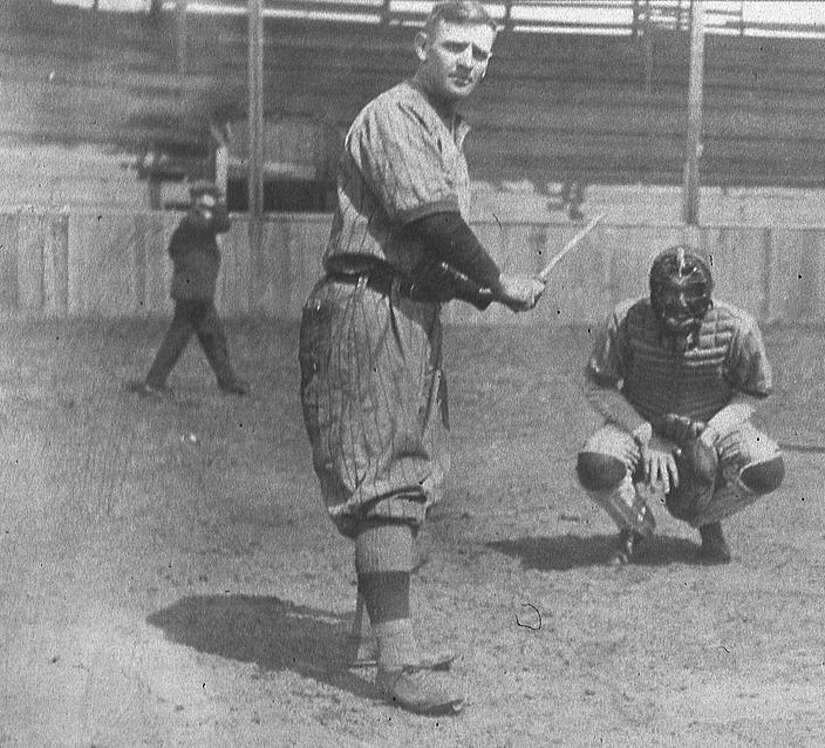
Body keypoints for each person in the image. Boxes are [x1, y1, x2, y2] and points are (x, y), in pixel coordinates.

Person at [297, 1, 544, 717]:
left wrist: (481, 296)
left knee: (414, 472)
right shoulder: (394, 115)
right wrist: (496, 278)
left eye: (482, 53)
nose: (468, 62)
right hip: (366, 310)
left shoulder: (444, 131)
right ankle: (396, 666)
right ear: (422, 44)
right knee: (388, 480)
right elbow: (431, 222)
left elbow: (421, 246)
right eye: (455, 47)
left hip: (406, 307)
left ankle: (370, 636)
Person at [575, 245, 786, 567]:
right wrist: (645, 433)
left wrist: (712, 432)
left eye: (691, 295)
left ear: (708, 295)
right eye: (668, 295)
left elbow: (754, 392)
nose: (679, 306)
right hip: (643, 422)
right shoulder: (626, 318)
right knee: (596, 465)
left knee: (765, 467)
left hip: (709, 425)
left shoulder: (737, 326)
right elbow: (598, 385)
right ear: (653, 293)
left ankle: (705, 519)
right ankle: (636, 525)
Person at [130, 180, 248, 397]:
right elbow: (219, 224)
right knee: (184, 337)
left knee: (212, 337)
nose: (215, 199)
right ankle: (153, 384)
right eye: (211, 195)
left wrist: (213, 207)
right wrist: (210, 208)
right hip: (193, 292)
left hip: (196, 291)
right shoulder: (193, 219)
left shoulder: (200, 218)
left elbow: (218, 226)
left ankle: (228, 382)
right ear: (199, 198)